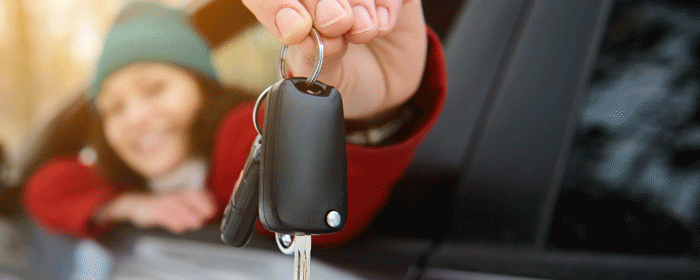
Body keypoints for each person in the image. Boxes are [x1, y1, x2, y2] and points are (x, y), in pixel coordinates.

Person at [23, 0, 446, 247]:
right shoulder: (117, 181)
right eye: (113, 108)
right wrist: (131, 205)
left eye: (154, 88)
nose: (134, 117)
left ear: (203, 89)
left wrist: (363, 116)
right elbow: (42, 186)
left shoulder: (243, 133)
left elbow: (313, 199)